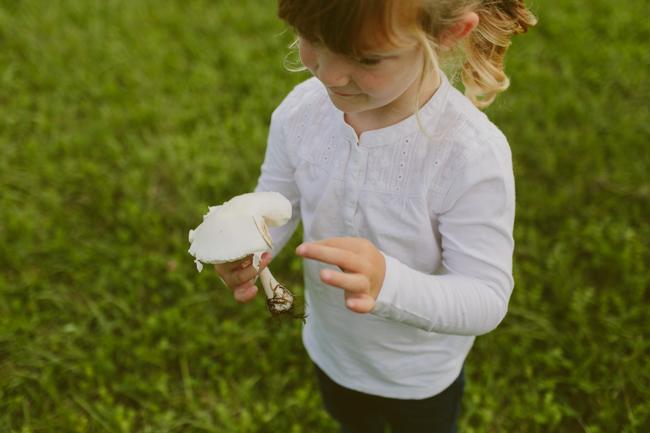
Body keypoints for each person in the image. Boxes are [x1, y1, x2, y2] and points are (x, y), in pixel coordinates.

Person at [214, 1, 536, 432]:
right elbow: (277, 200)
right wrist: (249, 242)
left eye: (365, 58)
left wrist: (389, 283)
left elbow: (486, 295)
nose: (327, 73)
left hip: (419, 377)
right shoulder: (300, 113)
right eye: (313, 41)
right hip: (333, 350)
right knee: (351, 420)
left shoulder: (469, 154)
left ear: (447, 34)